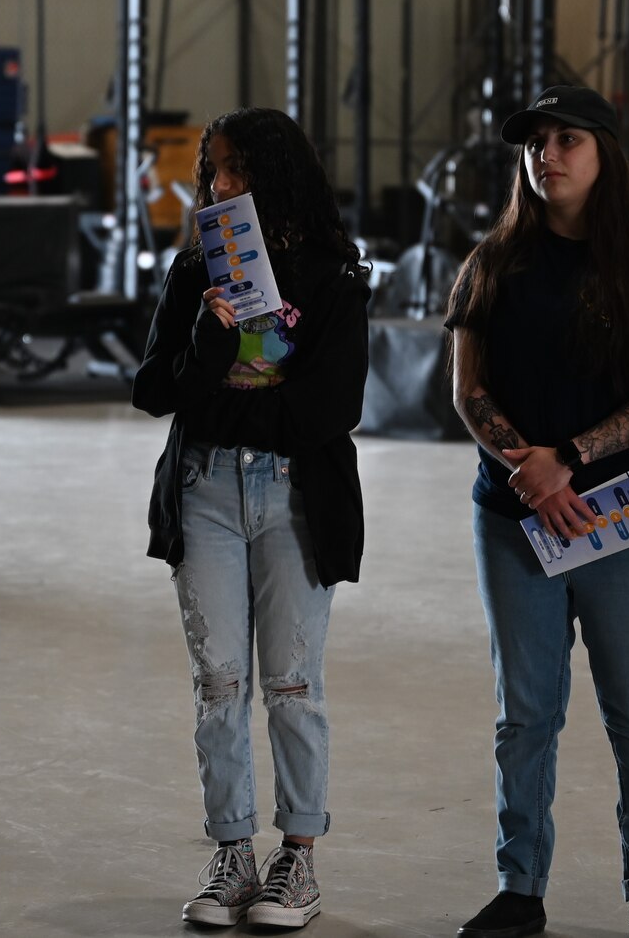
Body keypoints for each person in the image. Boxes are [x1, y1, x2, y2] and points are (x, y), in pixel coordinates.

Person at [443, 85, 629, 938]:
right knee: (525, 712)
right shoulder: (491, 262)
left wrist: (572, 461)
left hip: (628, 521)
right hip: (517, 517)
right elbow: (468, 387)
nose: (546, 154)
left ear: (604, 155)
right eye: (535, 142)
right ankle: (520, 886)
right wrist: (530, 470)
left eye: (568, 140)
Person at [132, 107, 371, 932]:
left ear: (278, 173)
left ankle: (297, 856)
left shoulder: (335, 278)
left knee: (292, 683)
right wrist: (208, 337)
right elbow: (155, 389)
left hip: (295, 495)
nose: (221, 186)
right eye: (213, 172)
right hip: (203, 489)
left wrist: (245, 392)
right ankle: (232, 849)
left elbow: (333, 407)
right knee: (219, 681)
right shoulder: (196, 269)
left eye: (236, 170)